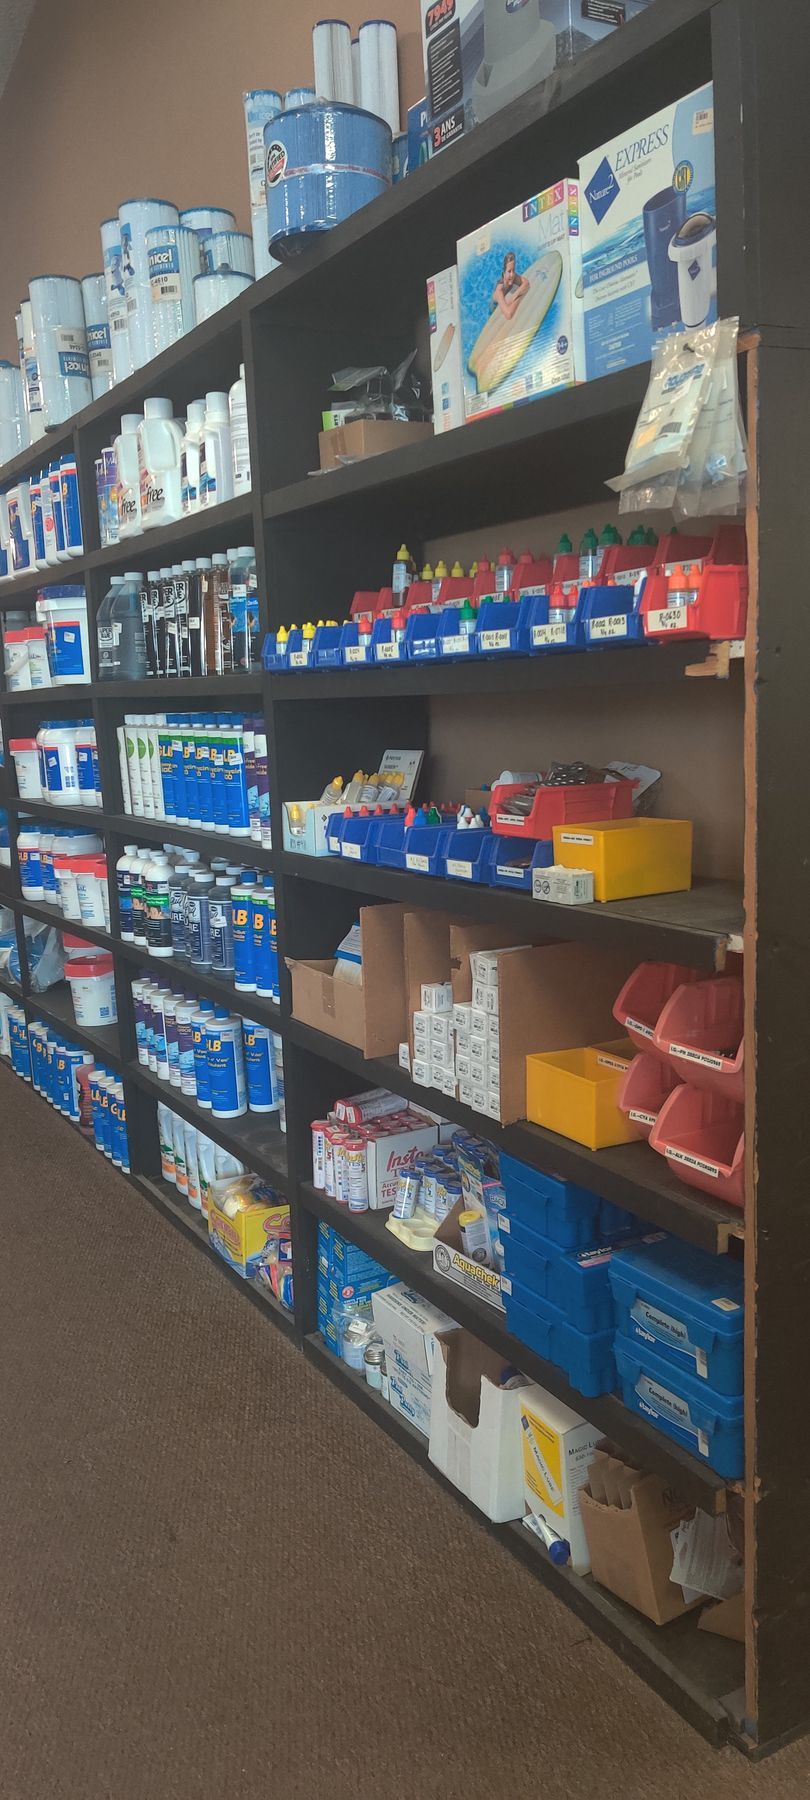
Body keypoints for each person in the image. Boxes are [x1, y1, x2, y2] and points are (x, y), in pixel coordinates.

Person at [493, 251, 529, 321]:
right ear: (503, 273)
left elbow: (526, 283)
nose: (512, 275)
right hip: (494, 309)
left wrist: (515, 295)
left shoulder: (513, 277)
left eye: (513, 270)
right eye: (509, 271)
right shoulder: (499, 290)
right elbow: (508, 315)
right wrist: (520, 298)